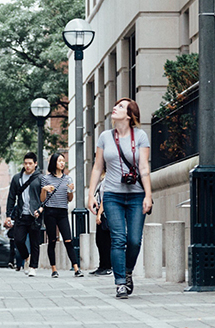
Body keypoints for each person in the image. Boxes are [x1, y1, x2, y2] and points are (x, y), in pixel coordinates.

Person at [87, 98, 153, 299]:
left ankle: (127, 271)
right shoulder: (105, 137)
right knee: (118, 239)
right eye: (115, 105)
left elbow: (143, 167)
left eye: (121, 106)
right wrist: (91, 194)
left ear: (130, 115)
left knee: (134, 241)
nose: (115, 107)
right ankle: (120, 283)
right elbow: (98, 167)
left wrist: (148, 195)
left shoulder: (140, 136)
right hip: (112, 195)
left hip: (136, 195)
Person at [40, 152, 82, 278]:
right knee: (52, 240)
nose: (62, 163)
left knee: (68, 240)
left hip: (62, 211)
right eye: (59, 161)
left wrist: (71, 190)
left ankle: (76, 268)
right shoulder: (45, 179)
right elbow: (43, 200)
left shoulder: (68, 178)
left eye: (63, 161)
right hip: (50, 212)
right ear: (54, 163)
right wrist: (44, 190)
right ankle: (54, 269)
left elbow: (69, 199)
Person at [5, 152, 43, 277]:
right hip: (21, 214)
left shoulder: (40, 178)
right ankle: (27, 257)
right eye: (25, 163)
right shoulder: (17, 178)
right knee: (18, 240)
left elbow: (45, 198)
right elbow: (11, 197)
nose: (27, 166)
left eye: (30, 164)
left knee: (34, 242)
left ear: (35, 164)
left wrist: (41, 209)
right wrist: (8, 215)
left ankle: (33, 267)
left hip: (35, 215)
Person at [90, 177, 113, 276]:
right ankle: (102, 266)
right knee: (100, 240)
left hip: (106, 213)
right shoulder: (104, 178)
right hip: (103, 212)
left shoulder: (110, 177)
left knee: (105, 241)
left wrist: (99, 213)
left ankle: (108, 267)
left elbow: (107, 196)